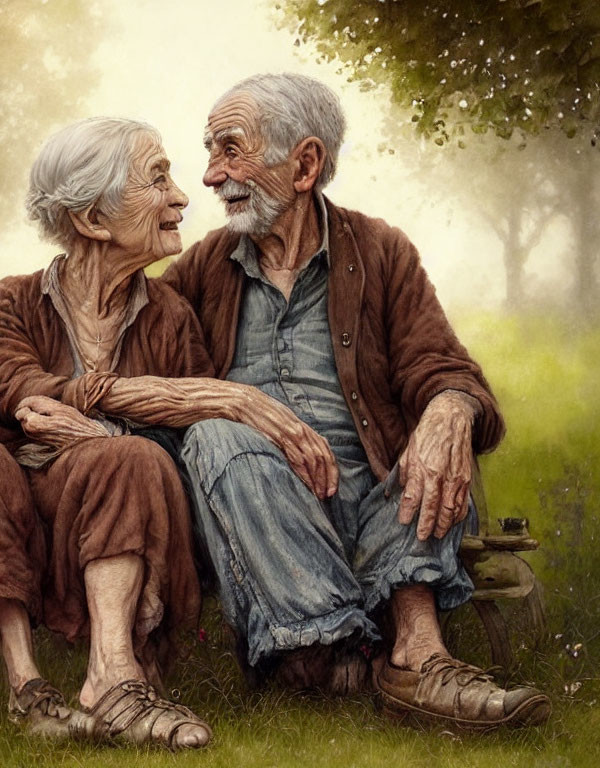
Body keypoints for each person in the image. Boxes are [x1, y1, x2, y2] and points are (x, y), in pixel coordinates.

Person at [0, 117, 344, 749]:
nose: (183, 197)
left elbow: (186, 436)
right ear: (93, 219)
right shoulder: (12, 302)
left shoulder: (168, 315)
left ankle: (112, 678)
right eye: (157, 179)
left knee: (132, 457)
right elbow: (13, 390)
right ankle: (25, 685)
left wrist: (109, 432)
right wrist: (105, 401)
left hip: (83, 493)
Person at [161, 73, 551, 729]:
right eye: (210, 152)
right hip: (266, 522)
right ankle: (383, 652)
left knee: (436, 439)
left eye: (230, 150)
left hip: (375, 514)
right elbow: (136, 367)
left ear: (306, 164)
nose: (209, 176)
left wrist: (451, 409)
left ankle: (403, 653)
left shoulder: (379, 250)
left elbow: (446, 367)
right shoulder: (204, 269)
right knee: (214, 435)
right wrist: (232, 403)